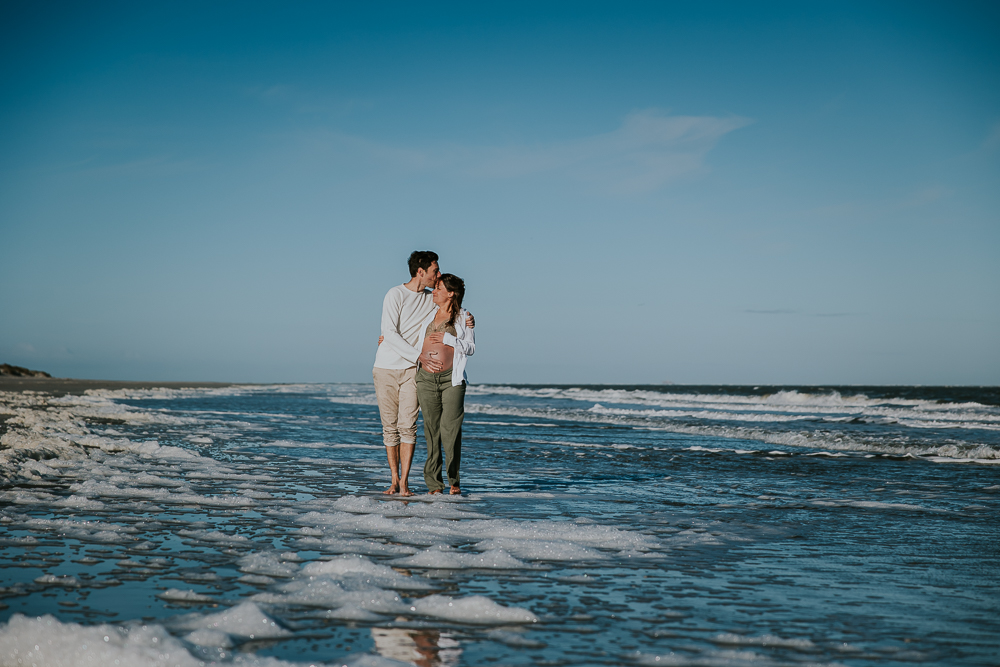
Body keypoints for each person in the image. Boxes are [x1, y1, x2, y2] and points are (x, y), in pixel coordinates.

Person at [373, 252, 472, 496]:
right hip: (392, 367)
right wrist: (404, 348)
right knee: (394, 427)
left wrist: (468, 318)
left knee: (410, 426)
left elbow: (453, 305)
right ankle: (397, 481)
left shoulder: (432, 298)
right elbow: (391, 331)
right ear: (421, 271)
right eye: (434, 271)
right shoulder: (395, 294)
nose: (437, 276)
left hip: (415, 372)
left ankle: (407, 483)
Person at [414, 274, 474, 495]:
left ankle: (453, 481)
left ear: (451, 293)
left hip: (452, 380)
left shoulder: (463, 317)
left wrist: (447, 339)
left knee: (450, 430)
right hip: (426, 379)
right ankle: (434, 484)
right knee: (431, 431)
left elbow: (470, 348)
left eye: (438, 288)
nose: (434, 291)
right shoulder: (427, 314)